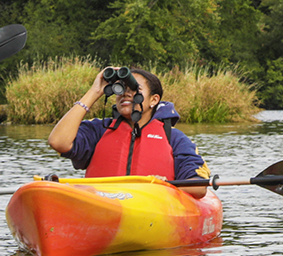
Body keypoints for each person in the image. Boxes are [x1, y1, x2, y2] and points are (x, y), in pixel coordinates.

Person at [47, 66, 210, 197]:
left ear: (154, 100)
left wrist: (165, 185)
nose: (126, 93)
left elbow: (199, 187)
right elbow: (58, 142)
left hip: (150, 209)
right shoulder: (99, 130)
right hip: (101, 207)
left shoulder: (174, 138)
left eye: (134, 89)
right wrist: (95, 91)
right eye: (121, 89)